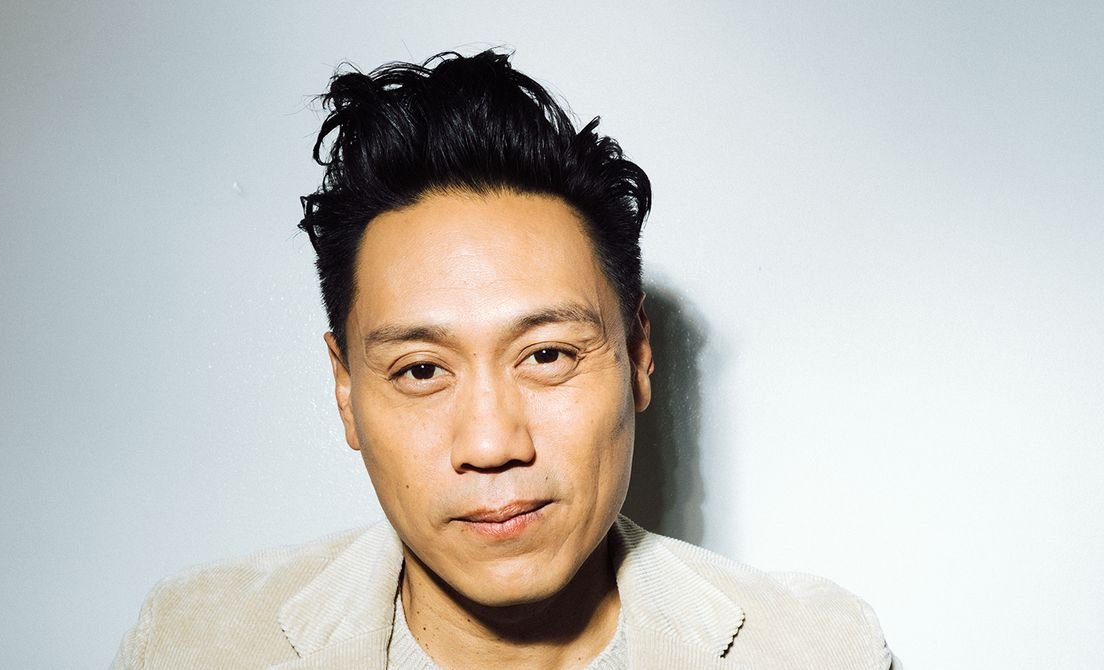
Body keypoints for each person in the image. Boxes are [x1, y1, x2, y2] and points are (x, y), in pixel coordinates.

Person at [112, 49, 894, 669]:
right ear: (346, 391)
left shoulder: (819, 650)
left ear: (638, 356)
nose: (491, 444)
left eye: (546, 355)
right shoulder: (191, 642)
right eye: (422, 370)